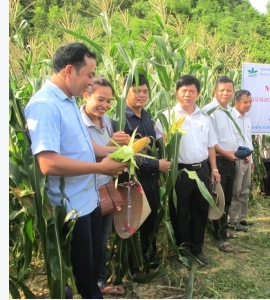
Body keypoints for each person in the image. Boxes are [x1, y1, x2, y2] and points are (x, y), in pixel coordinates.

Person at [24, 43, 129, 299]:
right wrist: (99, 167)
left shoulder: (69, 101)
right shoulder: (45, 106)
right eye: (89, 75)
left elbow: (84, 144)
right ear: (70, 70)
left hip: (89, 199)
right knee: (80, 272)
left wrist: (112, 151)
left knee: (92, 268)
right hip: (71, 209)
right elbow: (48, 163)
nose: (91, 82)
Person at [155, 75, 221, 265]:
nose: (188, 95)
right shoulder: (167, 116)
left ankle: (197, 248)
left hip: (201, 170)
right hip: (179, 172)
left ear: (198, 94)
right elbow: (159, 145)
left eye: (192, 91)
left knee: (200, 209)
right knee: (180, 211)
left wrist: (214, 168)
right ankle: (182, 249)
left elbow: (210, 146)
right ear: (176, 93)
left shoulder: (204, 118)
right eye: (184, 91)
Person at [80, 77, 129, 296]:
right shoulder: (77, 124)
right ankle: (83, 286)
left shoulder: (107, 121)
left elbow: (111, 155)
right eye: (100, 99)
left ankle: (100, 283)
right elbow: (85, 158)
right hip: (85, 192)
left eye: (109, 101)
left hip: (106, 189)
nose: (105, 106)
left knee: (101, 242)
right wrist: (111, 144)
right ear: (85, 95)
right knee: (85, 246)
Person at [118, 74, 170, 273]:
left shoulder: (146, 115)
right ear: (125, 91)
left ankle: (149, 256)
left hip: (150, 180)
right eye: (136, 90)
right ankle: (133, 264)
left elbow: (150, 149)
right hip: (131, 181)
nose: (141, 95)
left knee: (150, 219)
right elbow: (126, 157)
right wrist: (157, 165)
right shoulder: (122, 119)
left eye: (145, 91)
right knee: (133, 222)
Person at [202, 76, 243, 253]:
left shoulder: (229, 111)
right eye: (222, 90)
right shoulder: (209, 111)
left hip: (230, 160)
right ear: (215, 91)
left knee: (226, 197)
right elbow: (211, 141)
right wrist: (224, 156)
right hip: (218, 160)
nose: (226, 93)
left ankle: (223, 230)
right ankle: (219, 236)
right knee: (218, 199)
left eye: (229, 90)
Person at [228, 90, 255, 229]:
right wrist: (242, 155)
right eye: (245, 102)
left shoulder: (247, 117)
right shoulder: (231, 117)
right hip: (237, 158)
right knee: (236, 190)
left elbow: (248, 140)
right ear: (236, 102)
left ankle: (241, 217)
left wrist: (252, 159)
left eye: (250, 102)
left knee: (245, 188)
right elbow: (234, 141)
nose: (248, 104)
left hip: (247, 158)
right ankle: (233, 220)